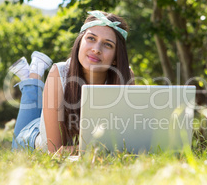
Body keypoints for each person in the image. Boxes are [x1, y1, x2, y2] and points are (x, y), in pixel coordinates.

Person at [9, 11, 133, 153]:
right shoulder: (59, 72)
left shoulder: (125, 76)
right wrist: (101, 150)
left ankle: (29, 75)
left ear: (116, 57)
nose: (96, 49)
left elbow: (125, 138)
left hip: (53, 124)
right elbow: (55, 151)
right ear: (80, 42)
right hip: (32, 138)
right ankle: (33, 77)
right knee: (19, 136)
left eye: (108, 45)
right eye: (91, 38)